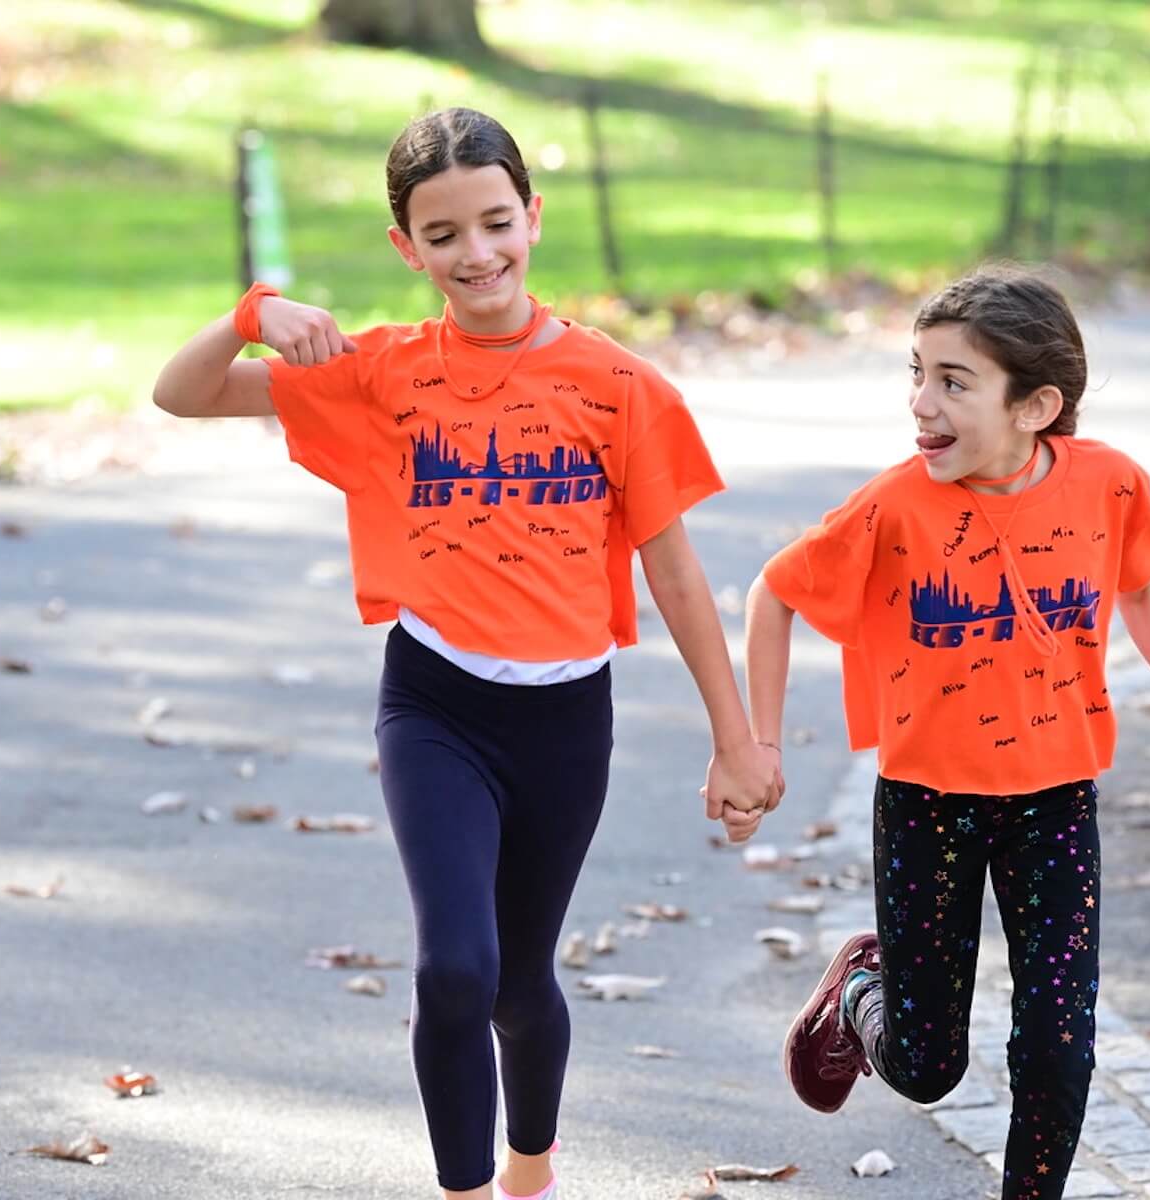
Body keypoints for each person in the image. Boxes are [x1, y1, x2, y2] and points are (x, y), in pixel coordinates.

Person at [152, 107, 779, 1200]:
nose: (476, 254)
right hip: (435, 705)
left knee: (519, 982)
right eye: (443, 236)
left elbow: (674, 574)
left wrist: (737, 742)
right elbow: (183, 392)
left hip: (565, 720)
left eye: (496, 223)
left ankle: (531, 1166)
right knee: (455, 969)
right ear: (407, 248)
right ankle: (466, 1191)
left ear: (533, 218)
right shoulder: (380, 373)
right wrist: (254, 310)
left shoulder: (619, 387)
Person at [741, 268, 1150, 1200]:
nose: (920, 403)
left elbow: (1139, 588)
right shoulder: (894, 506)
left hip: (1055, 800)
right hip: (928, 805)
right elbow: (772, 592)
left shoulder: (1109, 486)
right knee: (929, 1066)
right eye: (918, 373)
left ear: (1036, 405)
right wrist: (759, 748)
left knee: (1060, 1045)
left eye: (953, 382)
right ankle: (863, 991)